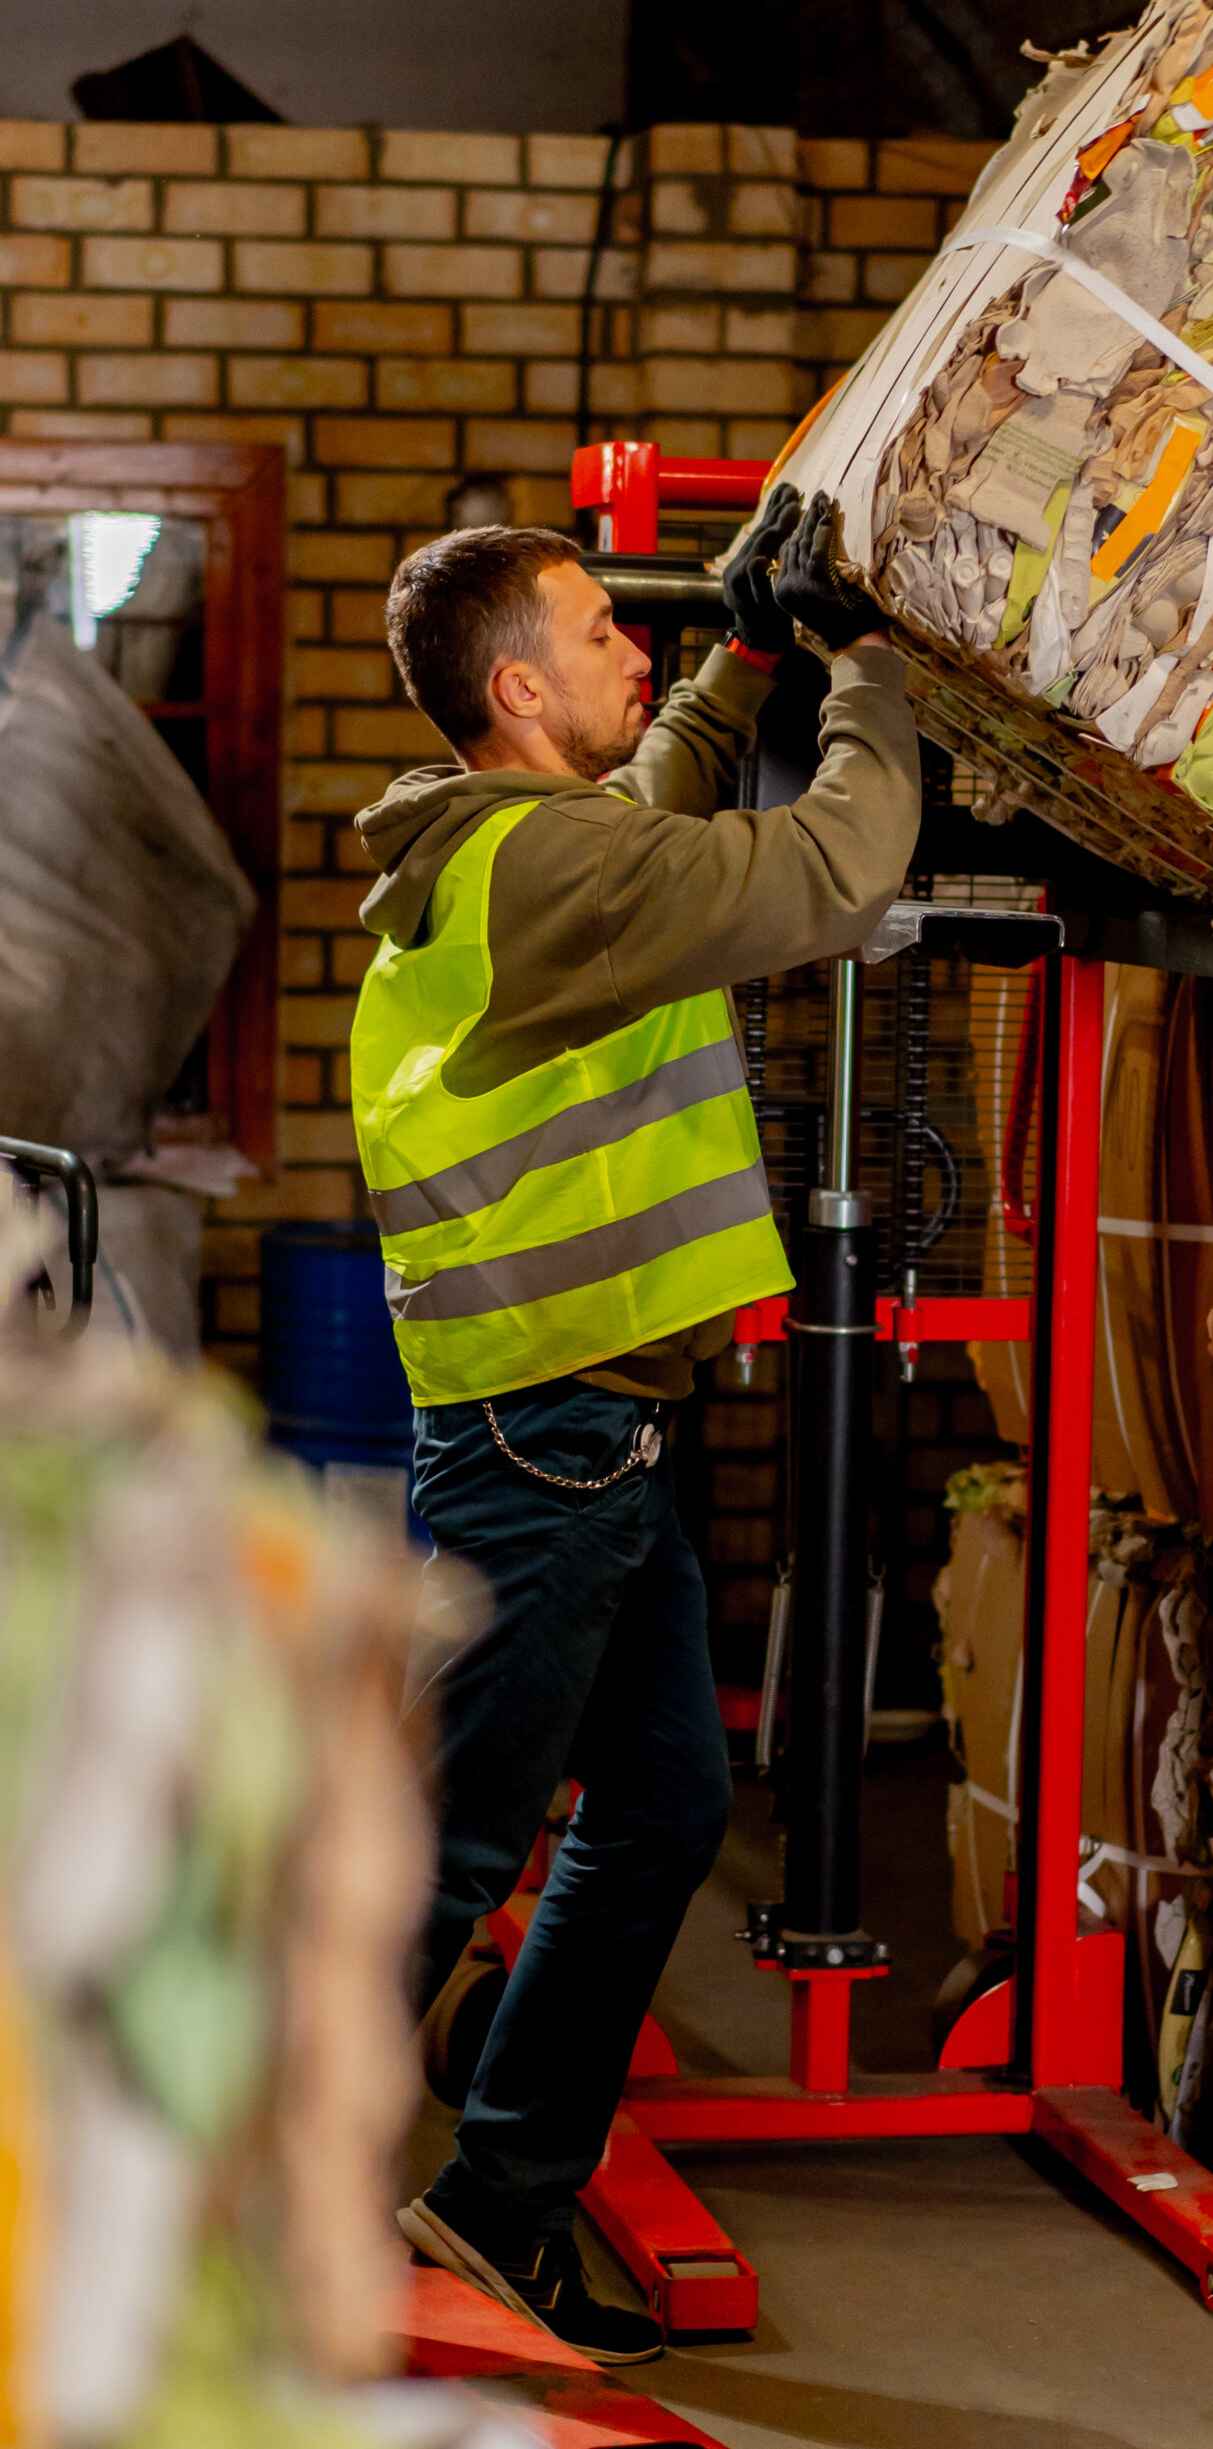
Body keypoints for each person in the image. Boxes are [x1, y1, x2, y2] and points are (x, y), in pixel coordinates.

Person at [348, 487, 919, 2364]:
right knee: (448, 1854)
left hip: (595, 1428)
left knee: (663, 1805)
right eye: (603, 632)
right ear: (519, 690)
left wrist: (752, 652)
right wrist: (873, 665)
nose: (635, 650)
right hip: (545, 1439)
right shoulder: (541, 871)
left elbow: (652, 802)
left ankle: (496, 2200)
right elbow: (828, 871)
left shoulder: (526, 842)